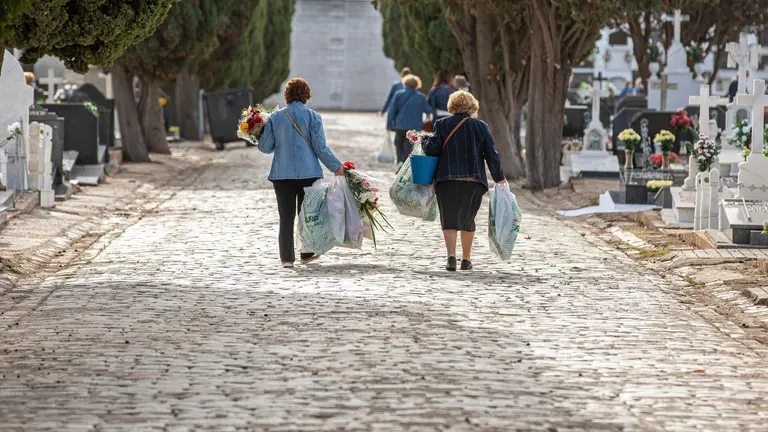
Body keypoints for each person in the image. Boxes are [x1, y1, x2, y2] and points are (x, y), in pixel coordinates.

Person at [258, 78, 345, 268]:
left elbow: (265, 147)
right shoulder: (313, 117)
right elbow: (320, 148)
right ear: (306, 95)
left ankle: (287, 259)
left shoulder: (275, 117)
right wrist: (337, 167)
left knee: (286, 218)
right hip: (309, 174)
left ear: (287, 95)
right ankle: (306, 253)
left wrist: (258, 131)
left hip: (282, 175)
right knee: (308, 215)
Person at [423, 91, 506, 271]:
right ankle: (466, 260)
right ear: (472, 107)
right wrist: (499, 178)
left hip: (447, 179)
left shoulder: (442, 124)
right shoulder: (481, 127)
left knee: (449, 219)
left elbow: (432, 150)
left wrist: (424, 141)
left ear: (452, 106)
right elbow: (491, 155)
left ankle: (451, 257)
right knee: (468, 219)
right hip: (473, 180)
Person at [387, 74, 432, 166]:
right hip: (414, 126)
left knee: (398, 143)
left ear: (405, 83)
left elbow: (391, 110)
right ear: (417, 85)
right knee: (409, 144)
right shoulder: (420, 97)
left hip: (400, 125)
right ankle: (405, 162)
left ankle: (400, 161)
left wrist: (389, 124)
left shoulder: (398, 94)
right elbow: (428, 109)